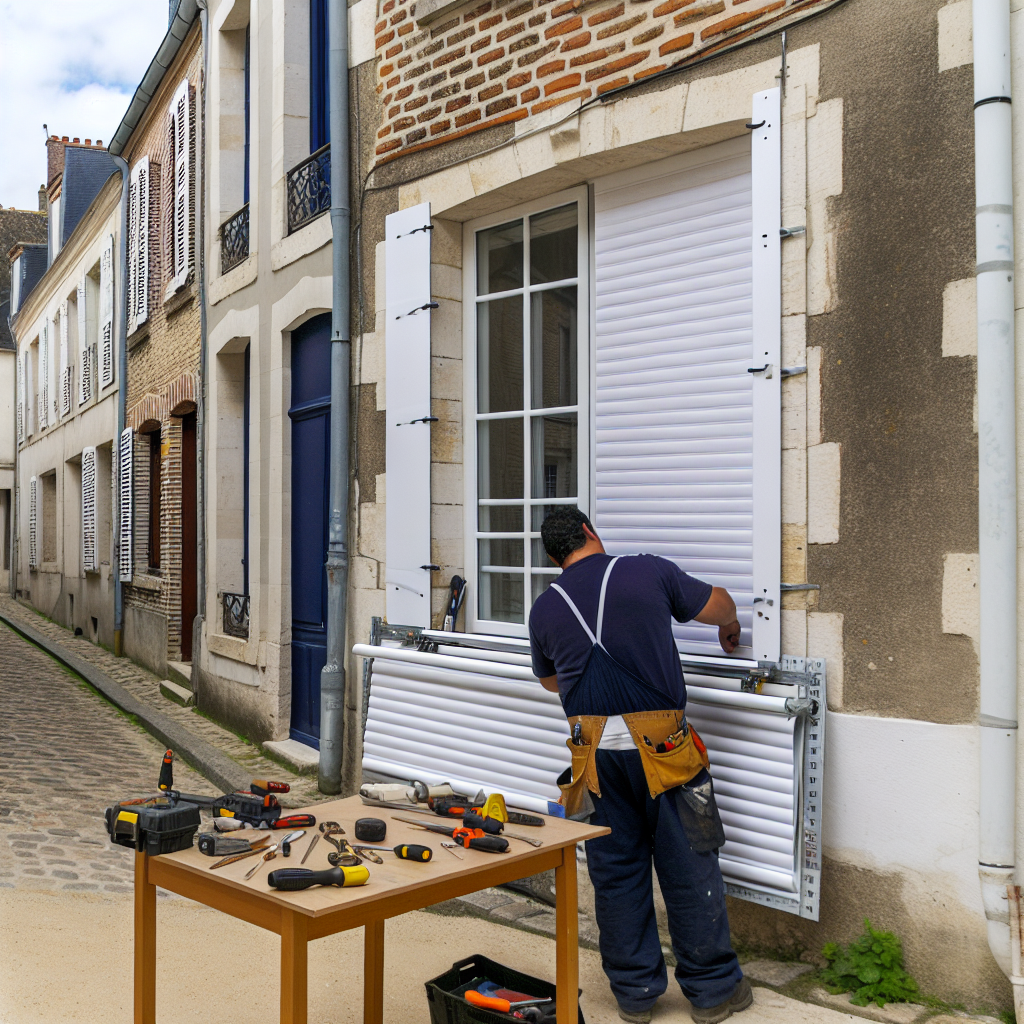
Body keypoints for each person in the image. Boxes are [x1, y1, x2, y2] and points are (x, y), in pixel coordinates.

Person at [529, 507, 752, 1024]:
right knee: (689, 862)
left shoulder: (545, 607)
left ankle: (634, 995)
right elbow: (718, 605)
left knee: (616, 872)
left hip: (594, 760)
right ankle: (714, 992)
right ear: (590, 532)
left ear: (553, 556)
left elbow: (551, 682)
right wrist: (734, 622)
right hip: (665, 752)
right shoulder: (644, 570)